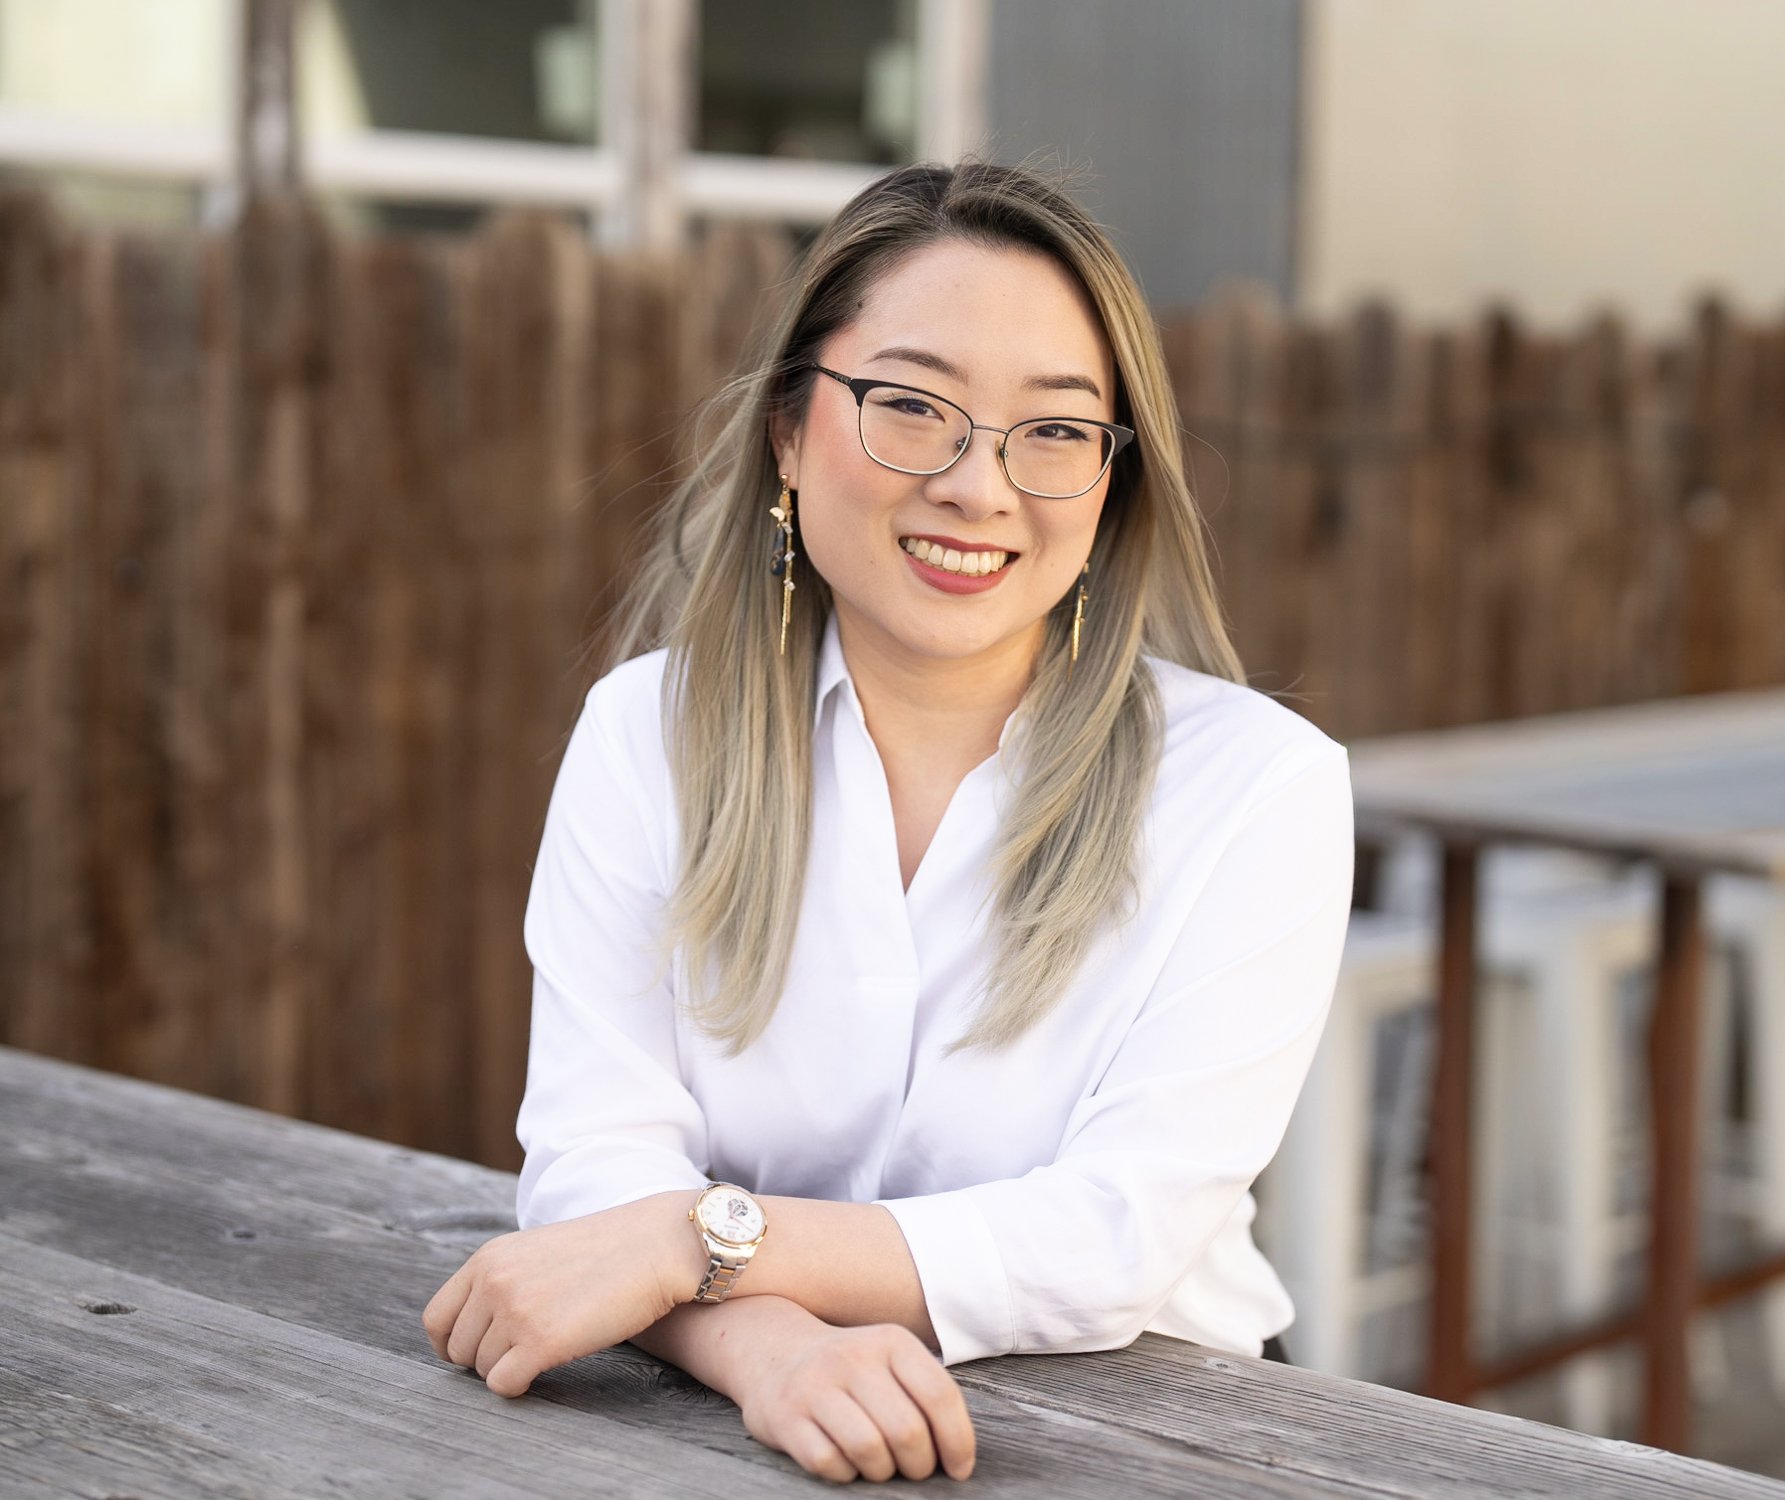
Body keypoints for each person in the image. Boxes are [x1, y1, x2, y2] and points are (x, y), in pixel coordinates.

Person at [422, 159, 1354, 1485]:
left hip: (1163, 1446)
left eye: (1054, 430)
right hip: (723, 1439)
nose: (980, 486)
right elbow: (592, 1173)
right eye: (911, 408)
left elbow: (1114, 1234)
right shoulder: (649, 735)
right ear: (789, 433)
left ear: (1112, 484)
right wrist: (774, 1352)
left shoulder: (1259, 787)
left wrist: (701, 1238)